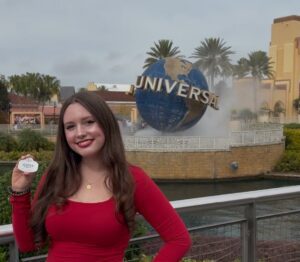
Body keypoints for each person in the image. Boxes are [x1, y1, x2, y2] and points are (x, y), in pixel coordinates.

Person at [9, 91, 191, 262]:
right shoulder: (55, 175)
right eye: (70, 127)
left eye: (89, 122)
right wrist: (20, 191)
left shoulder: (132, 179)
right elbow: (27, 244)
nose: (80, 133)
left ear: (106, 123)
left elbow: (179, 240)